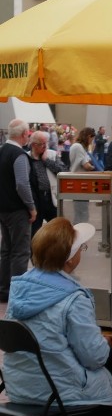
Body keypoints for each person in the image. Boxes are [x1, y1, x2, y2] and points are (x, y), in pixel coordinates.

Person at [3, 218, 112, 416]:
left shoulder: (20, 292)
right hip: (56, 393)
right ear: (70, 259)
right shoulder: (73, 298)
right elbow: (94, 357)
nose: (82, 253)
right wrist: (104, 343)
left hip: (20, 389)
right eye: (82, 248)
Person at [0, 119, 37, 304]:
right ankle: (18, 293)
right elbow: (22, 183)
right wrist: (31, 207)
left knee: (6, 250)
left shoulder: (1, 150)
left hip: (3, 209)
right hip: (17, 210)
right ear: (24, 135)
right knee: (20, 252)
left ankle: (4, 290)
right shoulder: (19, 155)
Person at [27, 130, 66, 238]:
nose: (45, 146)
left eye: (46, 143)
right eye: (41, 144)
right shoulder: (26, 158)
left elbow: (63, 171)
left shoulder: (52, 155)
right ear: (33, 145)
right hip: (35, 200)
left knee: (58, 230)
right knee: (34, 232)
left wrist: (46, 160)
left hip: (51, 198)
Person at [69, 127, 96, 224]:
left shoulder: (76, 146)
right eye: (92, 139)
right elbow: (86, 165)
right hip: (80, 181)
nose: (91, 142)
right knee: (82, 210)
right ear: (89, 136)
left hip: (77, 181)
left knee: (79, 209)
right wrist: (95, 168)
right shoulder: (79, 147)